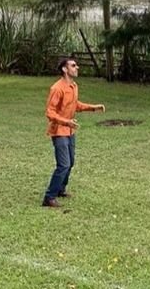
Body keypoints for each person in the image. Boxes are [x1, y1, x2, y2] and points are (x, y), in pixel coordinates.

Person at [43, 58, 105, 208]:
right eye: (73, 65)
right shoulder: (57, 88)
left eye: (76, 65)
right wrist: (66, 122)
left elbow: (75, 104)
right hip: (59, 131)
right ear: (64, 69)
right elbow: (49, 112)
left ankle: (60, 189)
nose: (77, 68)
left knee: (70, 163)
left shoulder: (73, 86)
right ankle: (49, 197)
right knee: (63, 164)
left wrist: (93, 107)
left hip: (70, 130)